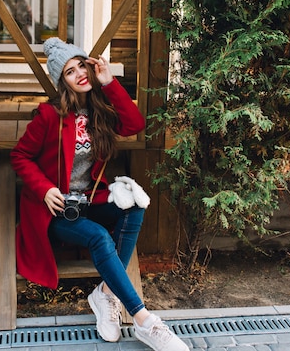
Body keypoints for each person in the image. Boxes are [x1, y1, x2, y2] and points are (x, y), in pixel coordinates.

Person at [11, 37, 189, 351]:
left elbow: (135, 123)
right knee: (99, 237)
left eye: (82, 65)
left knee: (134, 204)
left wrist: (109, 83)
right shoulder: (49, 117)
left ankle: (106, 292)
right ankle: (145, 320)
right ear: (61, 81)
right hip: (57, 210)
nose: (79, 73)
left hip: (89, 200)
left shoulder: (99, 110)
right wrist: (45, 189)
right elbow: (20, 157)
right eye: (69, 71)